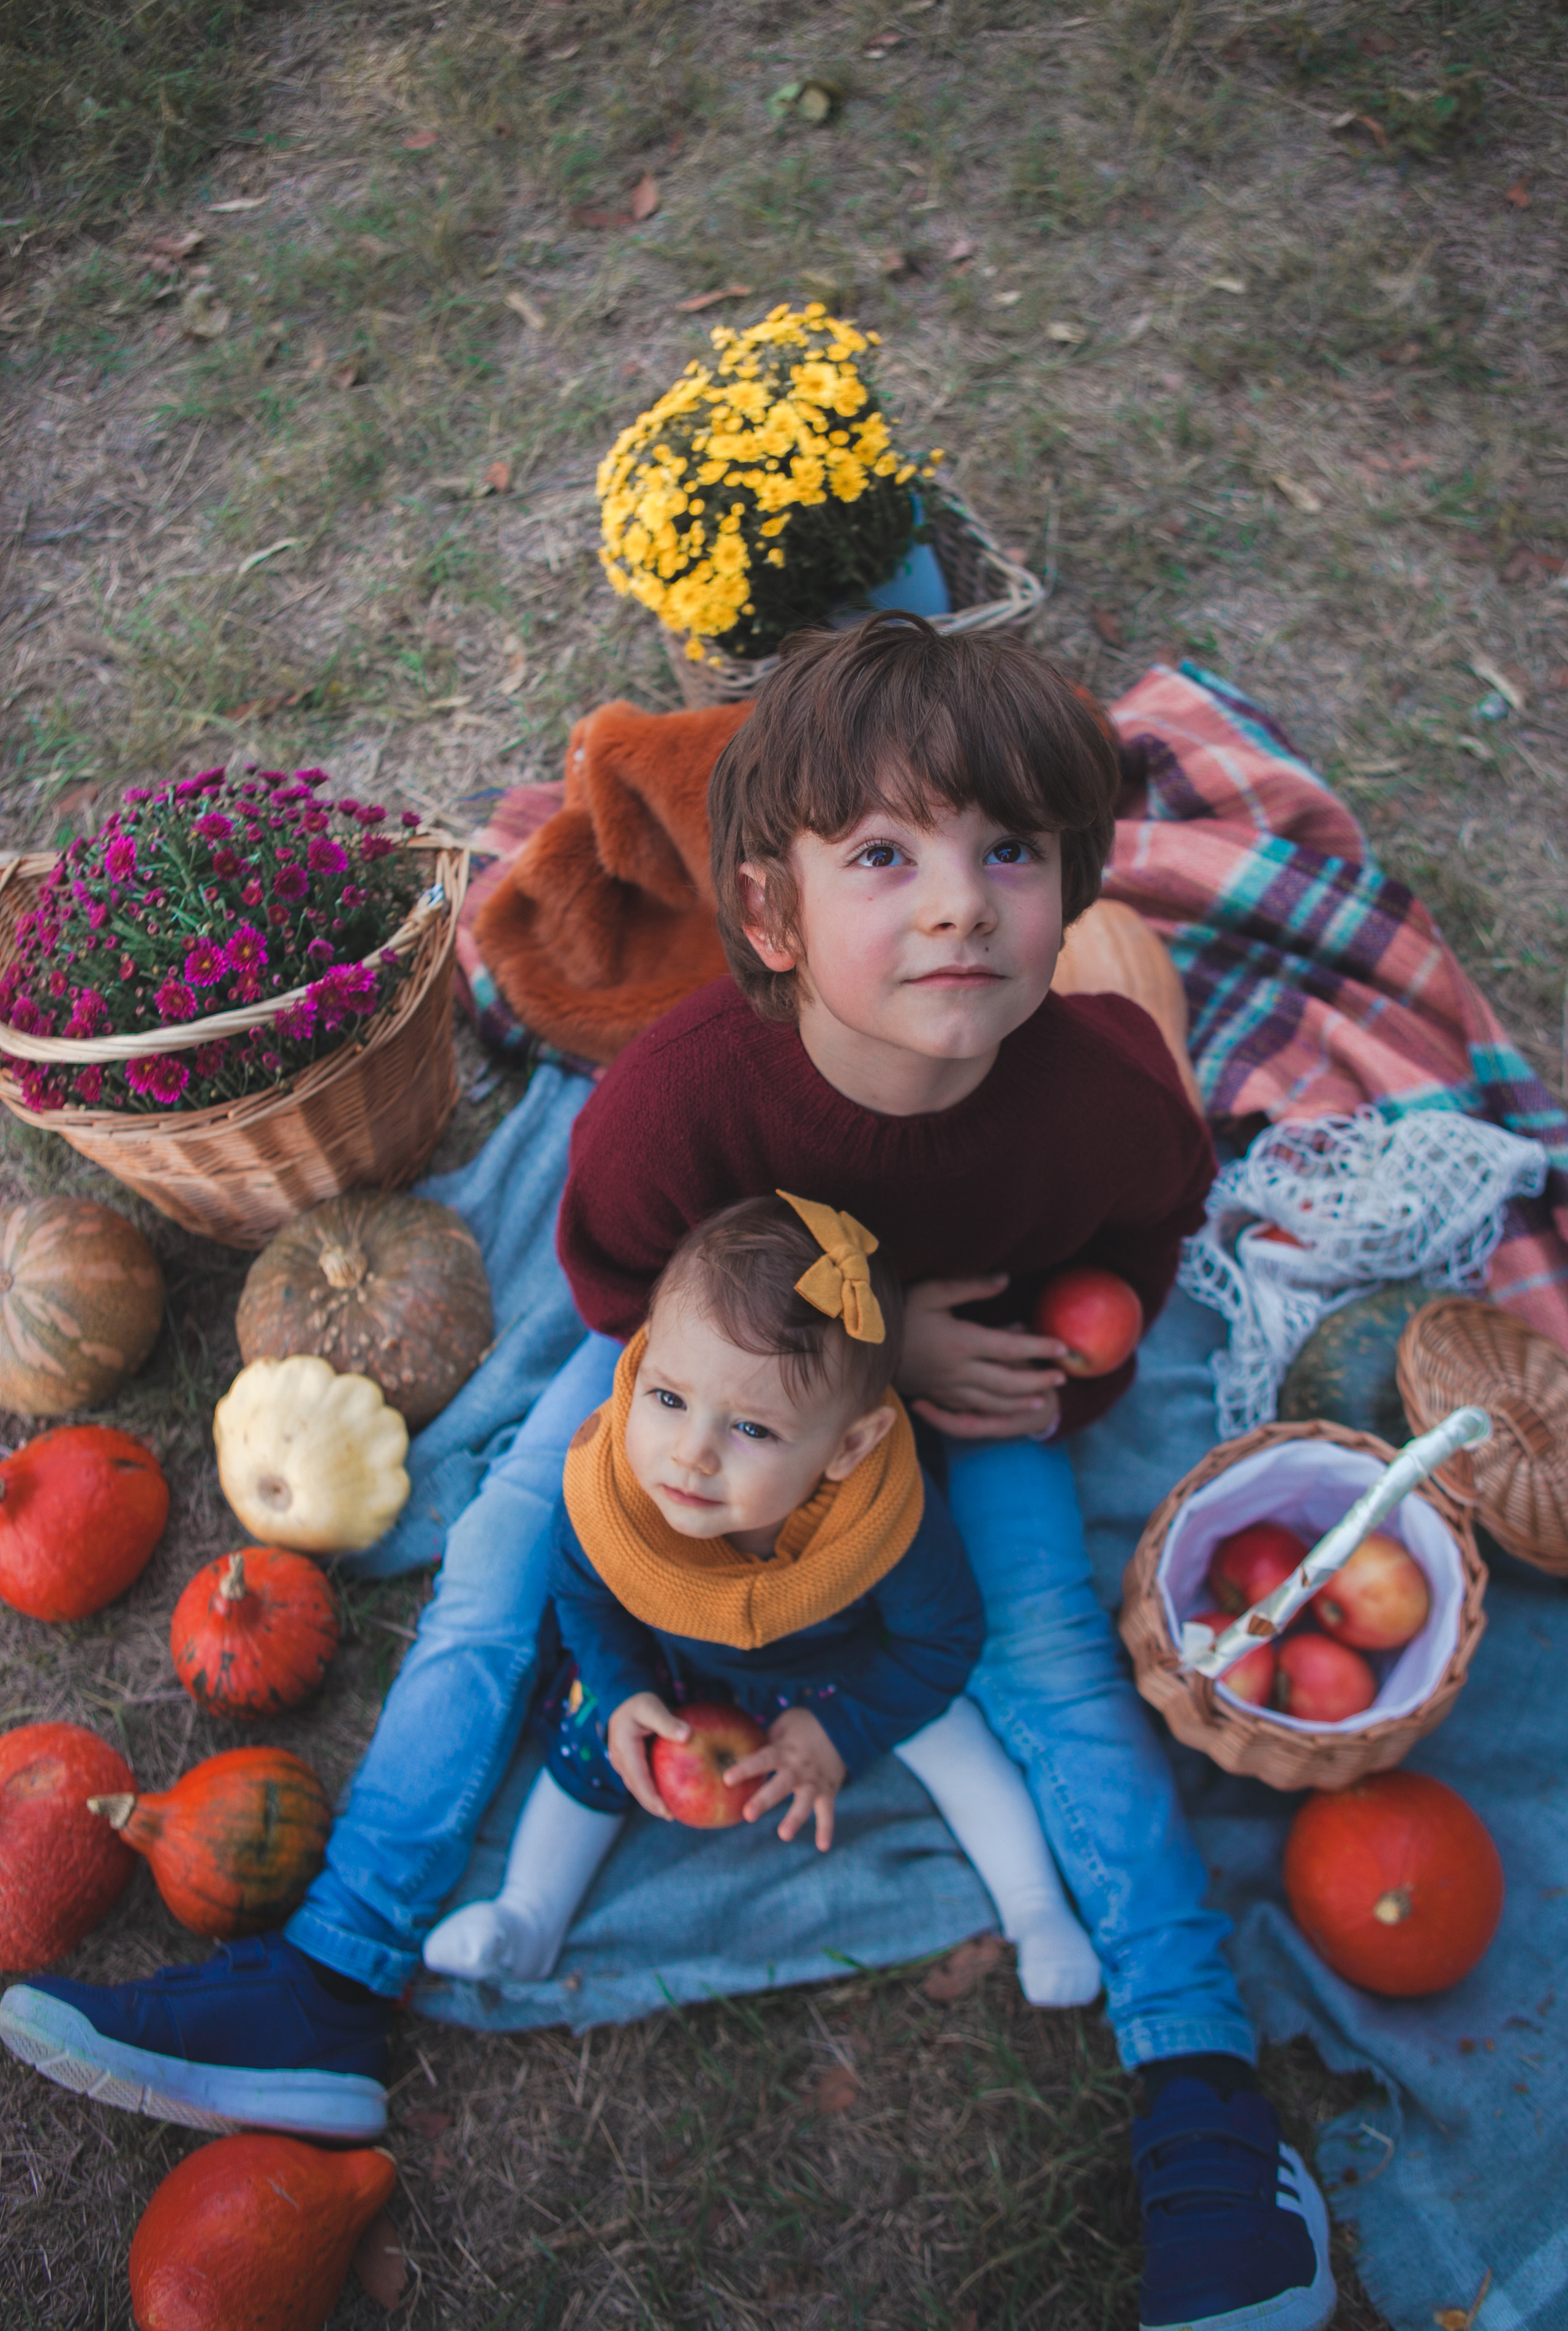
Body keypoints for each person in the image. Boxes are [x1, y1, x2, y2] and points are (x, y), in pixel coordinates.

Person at [0, 613, 1333, 2331]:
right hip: (699, 1378)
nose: (956, 902)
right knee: (501, 1564)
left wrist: (1066, 1350)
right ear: (771, 911)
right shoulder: (684, 1097)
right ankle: (331, 1978)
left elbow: (1149, 1227)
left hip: (952, 1403)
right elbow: (623, 1282)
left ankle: (1207, 2098)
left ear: (1072, 884)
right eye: (884, 854)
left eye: (1010, 849)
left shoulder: (1100, 1095)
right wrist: (830, 1354)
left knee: (1053, 1659)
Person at [422, 1193, 1099, 2010]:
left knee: (959, 1740)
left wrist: (844, 1730)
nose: (691, 1454)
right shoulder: (612, 1489)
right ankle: (527, 1918)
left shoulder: (887, 1524)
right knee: (592, 1743)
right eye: (668, 1399)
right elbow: (584, 1596)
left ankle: (1034, 1907)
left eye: (751, 1431)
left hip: (834, 1670)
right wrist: (625, 1691)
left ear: (849, 1448)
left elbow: (944, 1641)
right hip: (671, 1663)